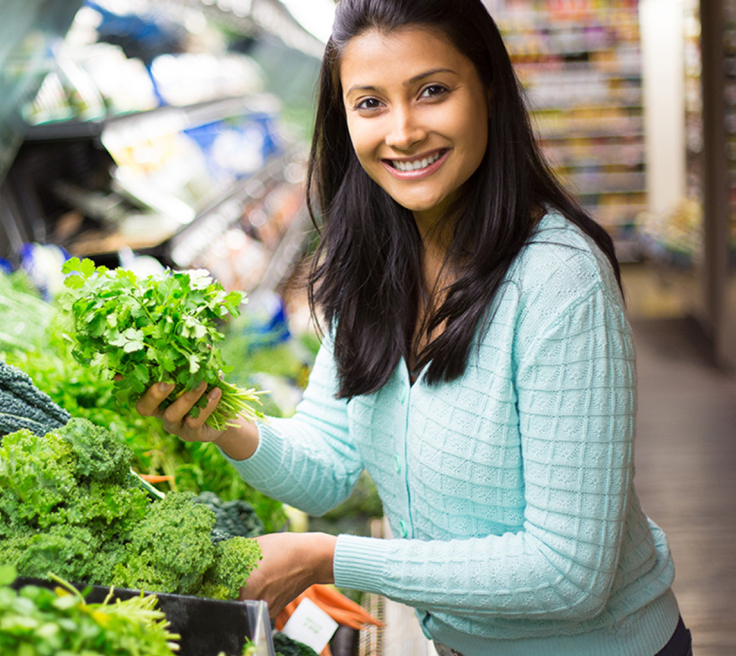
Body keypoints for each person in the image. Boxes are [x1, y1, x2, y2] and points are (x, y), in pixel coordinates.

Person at [132, 1, 691, 655]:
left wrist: (328, 558)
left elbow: (569, 575)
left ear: (487, 89)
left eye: (432, 91)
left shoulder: (559, 282)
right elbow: (326, 464)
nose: (402, 132)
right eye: (370, 103)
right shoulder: (372, 264)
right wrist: (222, 421)